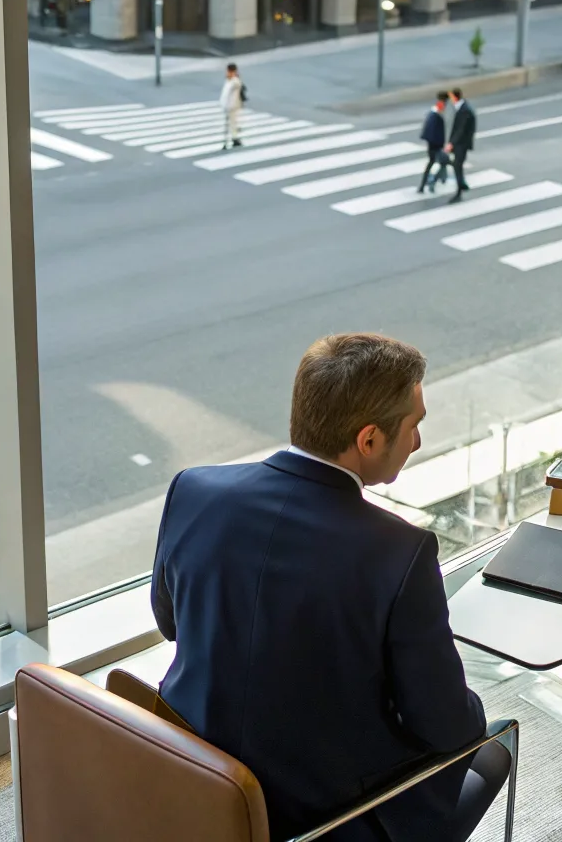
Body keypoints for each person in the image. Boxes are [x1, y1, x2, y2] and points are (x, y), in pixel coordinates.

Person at [153, 333, 511, 842]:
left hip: (194, 773)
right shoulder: (399, 553)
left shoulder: (194, 489)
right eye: (414, 426)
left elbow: (169, 624)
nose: (417, 442)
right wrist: (467, 705)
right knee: (494, 748)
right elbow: (444, 725)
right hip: (326, 819)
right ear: (368, 440)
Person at [444, 87, 475, 202]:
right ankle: (462, 183)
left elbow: (460, 129)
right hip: (460, 143)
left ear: (455, 97)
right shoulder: (461, 107)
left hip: (462, 144)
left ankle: (459, 192)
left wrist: (451, 143)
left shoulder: (464, 110)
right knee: (457, 165)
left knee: (457, 165)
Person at [418, 91, 450, 193]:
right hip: (435, 144)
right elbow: (436, 127)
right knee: (443, 161)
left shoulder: (435, 109)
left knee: (433, 163)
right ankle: (432, 181)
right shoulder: (438, 110)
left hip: (432, 143)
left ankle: (424, 185)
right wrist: (440, 144)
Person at [220, 63, 245, 149]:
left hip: (232, 105)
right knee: (232, 122)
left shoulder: (235, 81)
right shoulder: (230, 80)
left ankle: (235, 139)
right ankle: (235, 138)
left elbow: (234, 86)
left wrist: (232, 77)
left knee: (233, 122)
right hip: (228, 105)